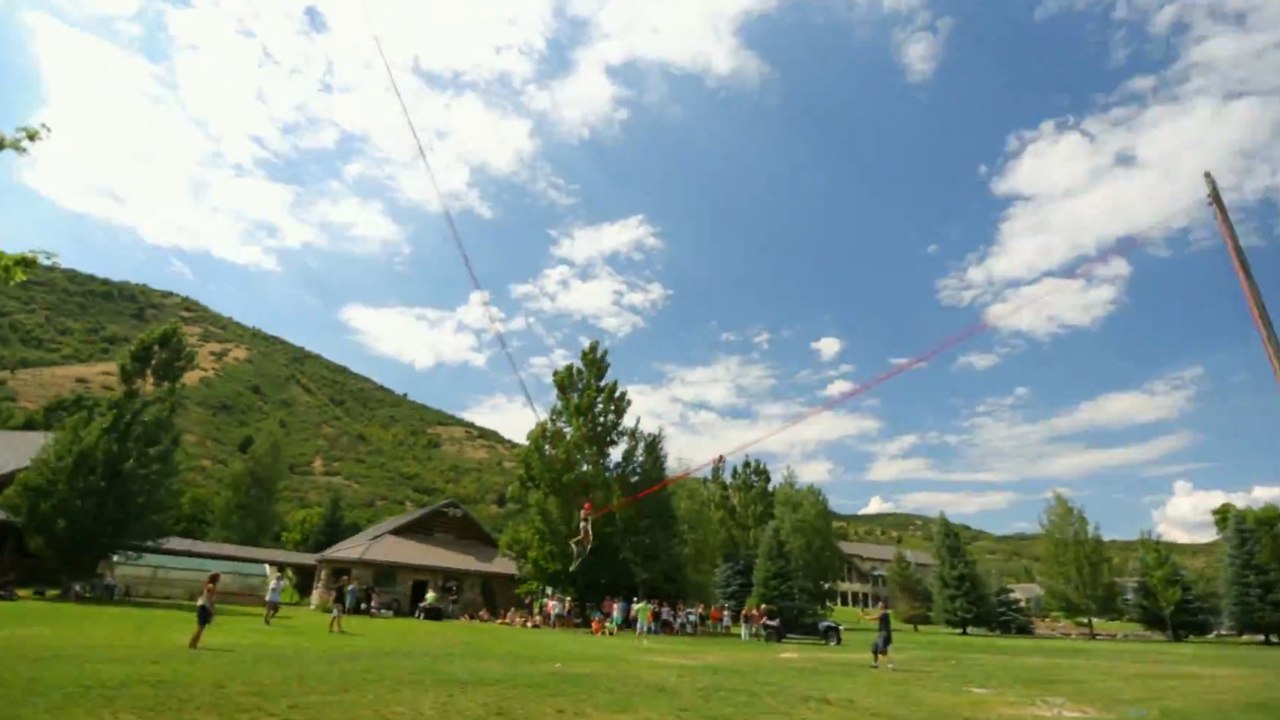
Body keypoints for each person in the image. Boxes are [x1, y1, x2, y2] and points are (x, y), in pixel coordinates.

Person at [188, 573, 220, 650]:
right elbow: (211, 599)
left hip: (203, 606)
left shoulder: (207, 585)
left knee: (201, 627)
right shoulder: (211, 586)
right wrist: (213, 610)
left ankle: (194, 643)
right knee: (200, 627)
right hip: (204, 607)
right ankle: (192, 643)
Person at [864, 601, 894, 670]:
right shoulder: (882, 613)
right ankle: (875, 664)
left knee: (882, 650)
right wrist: (867, 615)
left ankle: (890, 664)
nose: (879, 605)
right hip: (881, 634)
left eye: (880, 604)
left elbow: (876, 618)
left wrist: (866, 617)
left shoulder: (884, 613)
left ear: (884, 605)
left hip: (885, 634)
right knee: (875, 649)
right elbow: (876, 617)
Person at [569, 502, 593, 570]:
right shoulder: (583, 512)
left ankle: (576, 561)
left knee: (584, 547)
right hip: (583, 525)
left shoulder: (588, 514)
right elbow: (583, 517)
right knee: (582, 536)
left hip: (585, 526)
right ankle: (572, 541)